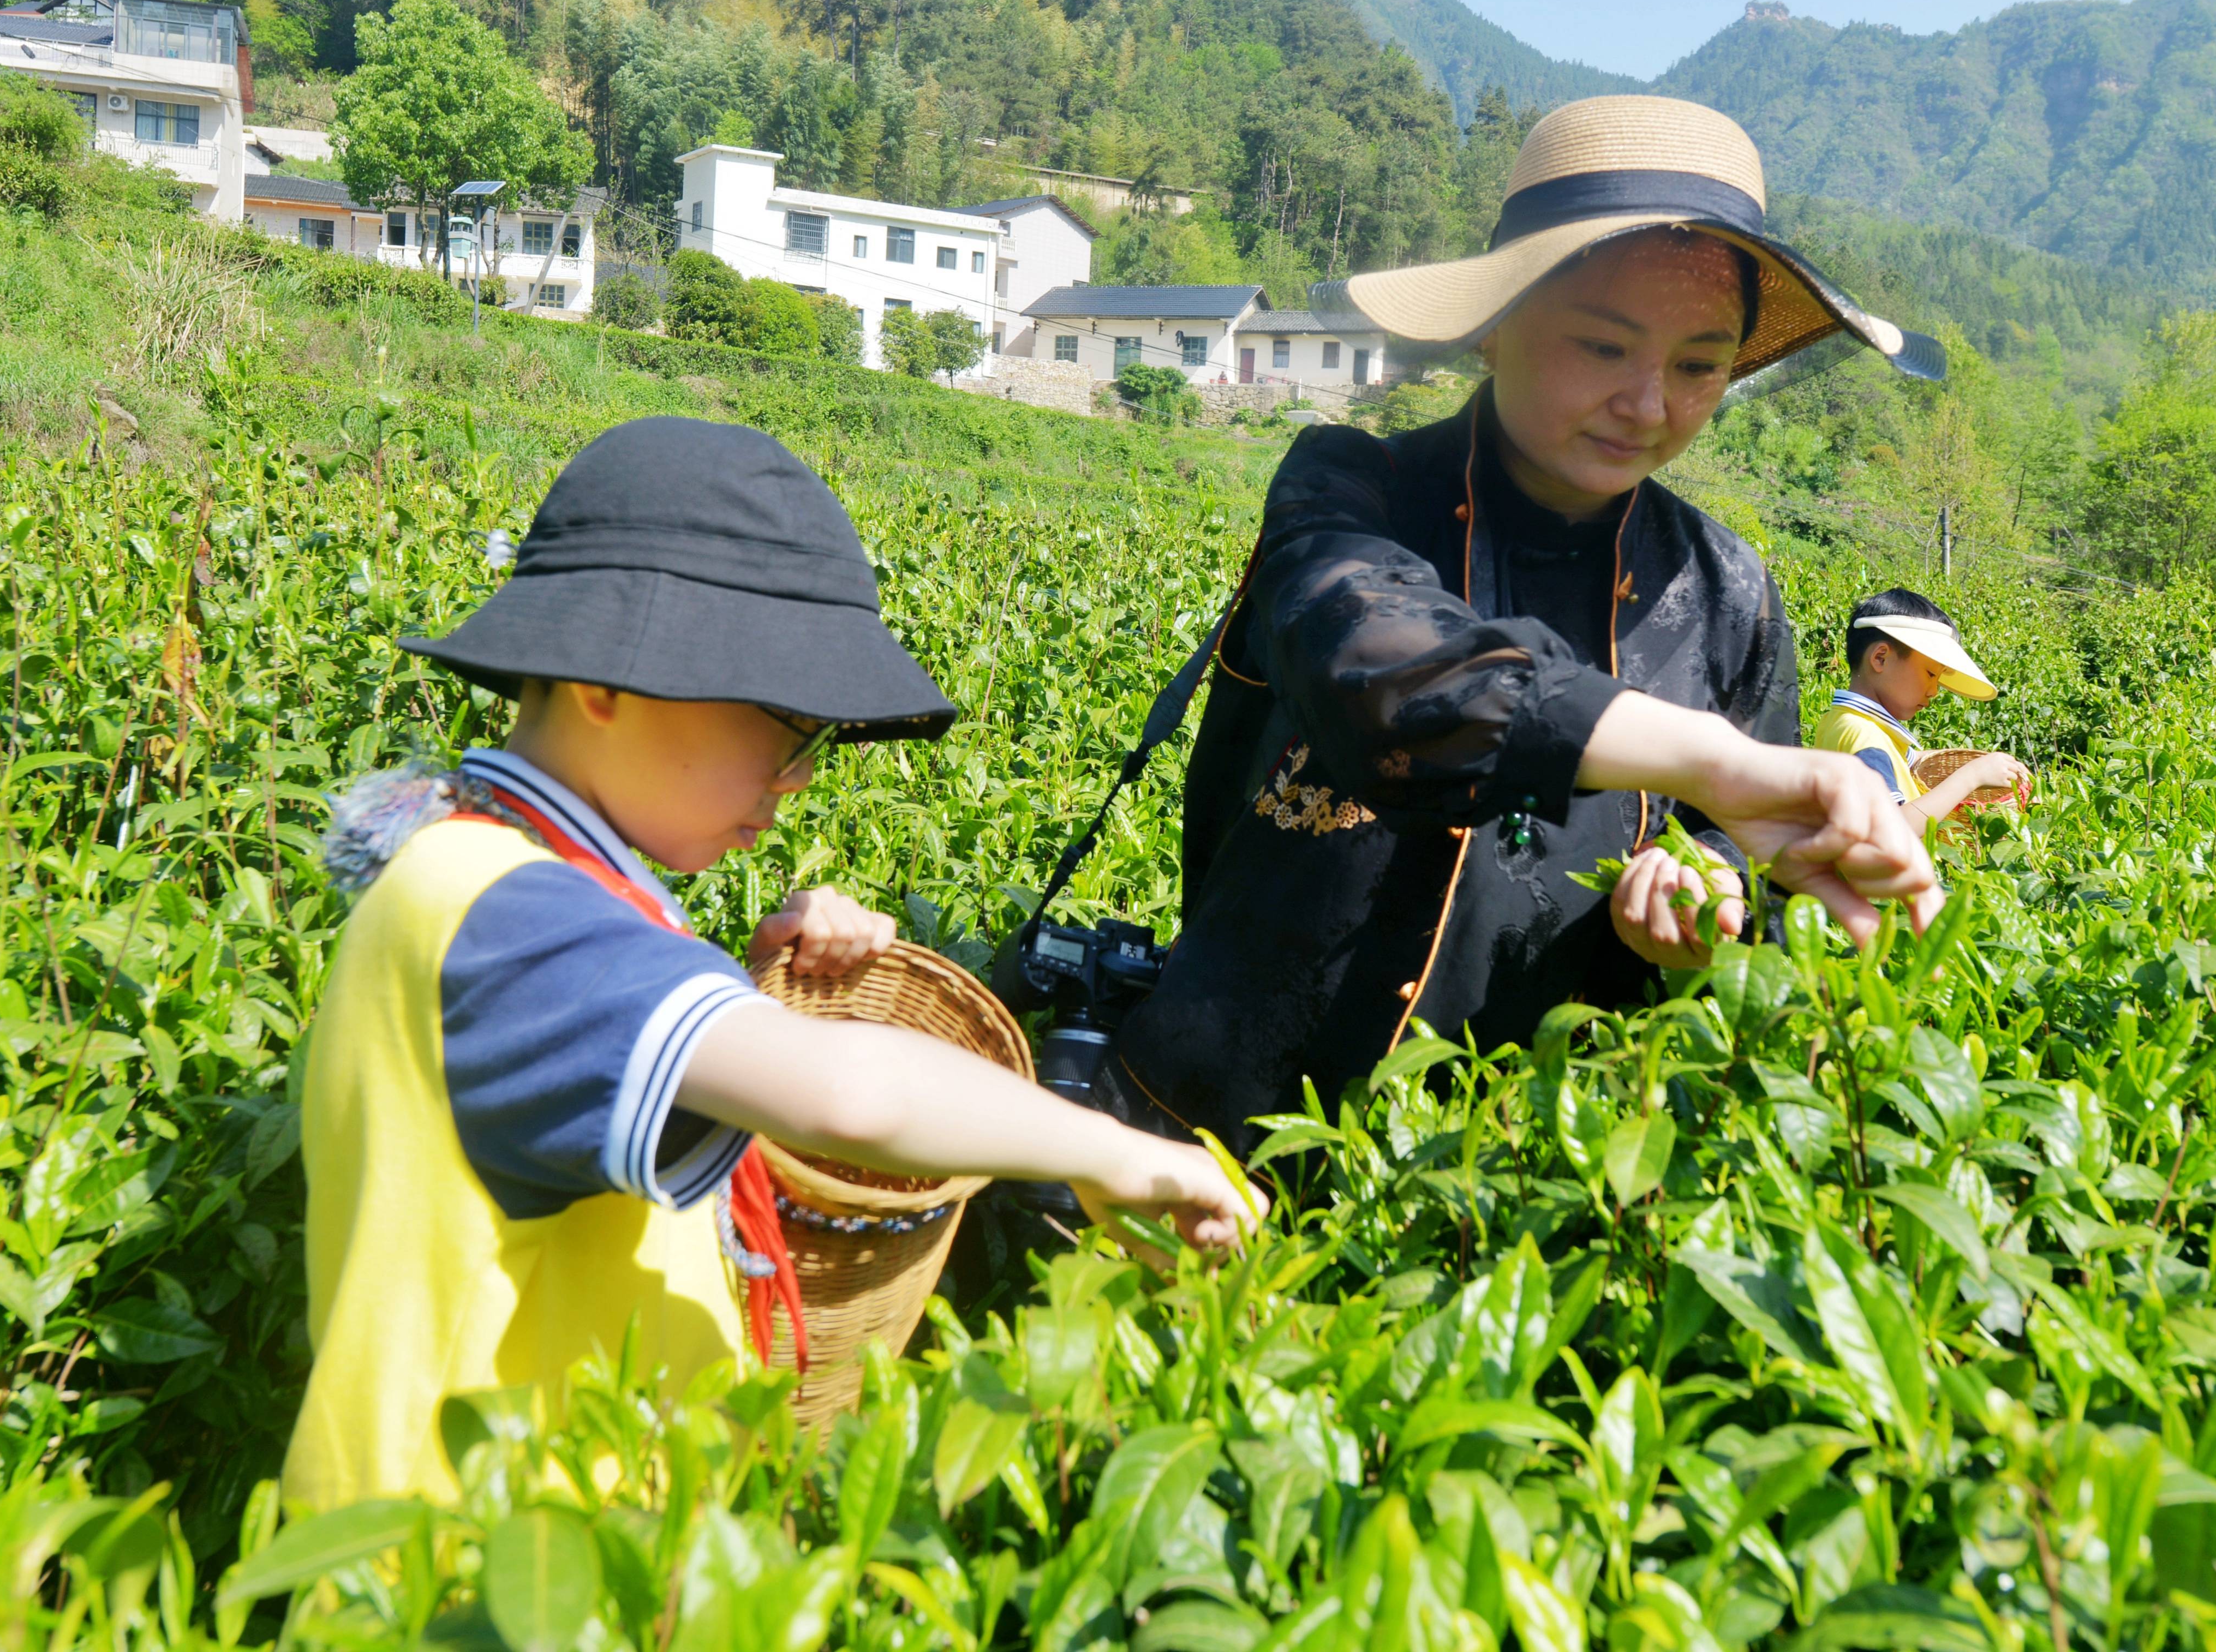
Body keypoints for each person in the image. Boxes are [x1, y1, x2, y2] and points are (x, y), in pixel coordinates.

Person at [282, 418, 1256, 1510]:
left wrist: (738, 988)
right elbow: (851, 1092)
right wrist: (1119, 1155)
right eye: (784, 726)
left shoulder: (494, 886)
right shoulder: (496, 912)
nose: (794, 777)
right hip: (474, 1586)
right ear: (609, 679)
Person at [1102, 95, 1950, 1148]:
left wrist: (1712, 900)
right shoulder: (1351, 491)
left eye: (1699, 365)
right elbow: (1390, 677)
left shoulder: (1726, 591)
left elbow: (1743, 852)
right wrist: (1712, 764)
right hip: (1223, 1137)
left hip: (1527, 1184)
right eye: (1603, 347)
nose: (1649, 405)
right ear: (1495, 328)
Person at [1809, 589, 2034, 831]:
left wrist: (1983, 764)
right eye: (1930, 674)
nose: (1933, 691)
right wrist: (1972, 776)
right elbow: (1890, 831)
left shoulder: (1846, 722)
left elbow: (1908, 758)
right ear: (1881, 658)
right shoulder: (1865, 739)